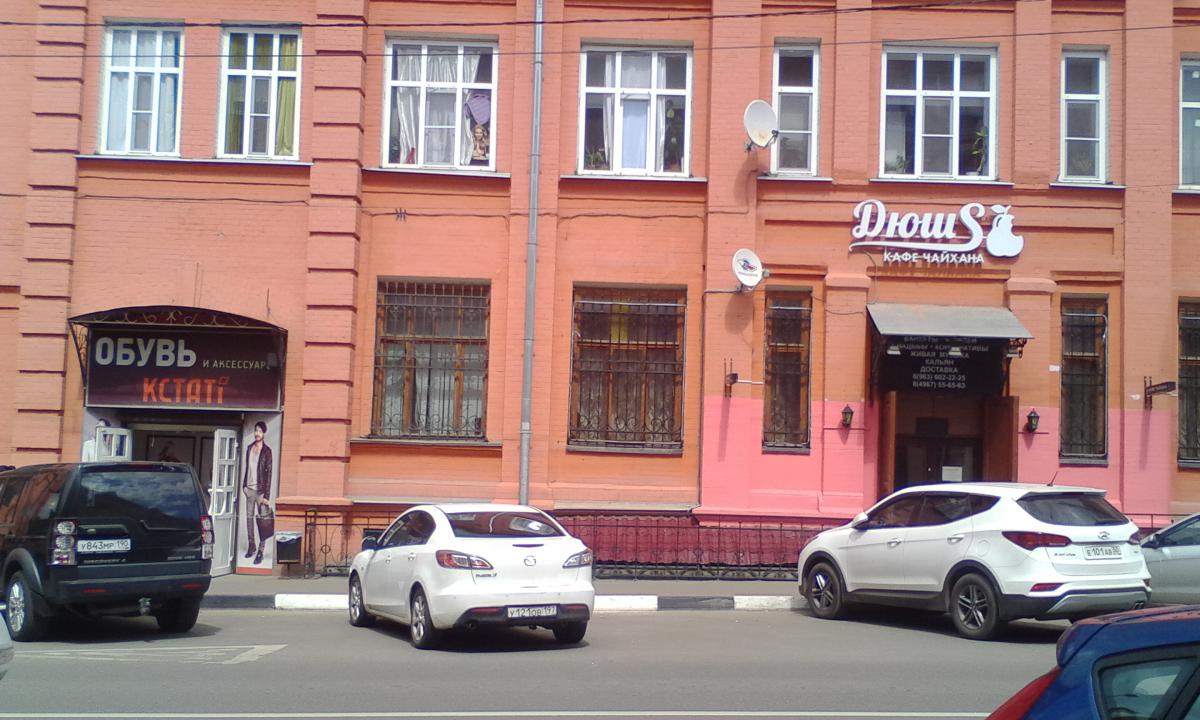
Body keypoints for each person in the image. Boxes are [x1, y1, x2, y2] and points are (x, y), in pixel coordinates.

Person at [241, 421, 273, 565]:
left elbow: (269, 474)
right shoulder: (249, 448)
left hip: (260, 491)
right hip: (249, 489)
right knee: (248, 519)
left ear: (264, 433)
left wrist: (267, 496)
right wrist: (244, 486)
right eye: (256, 430)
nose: (257, 433)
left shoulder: (267, 451)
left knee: (262, 522)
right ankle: (251, 545)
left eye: (260, 431)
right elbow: (247, 468)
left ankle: (261, 551)